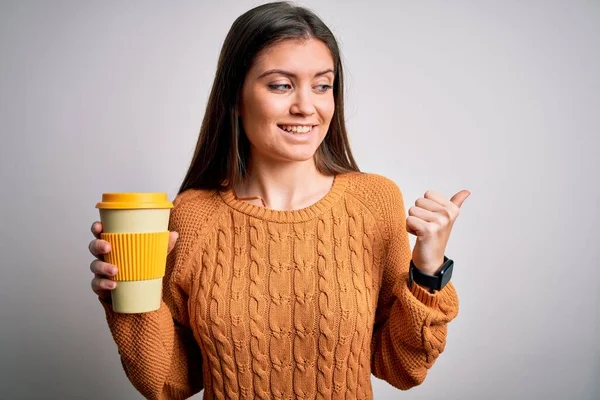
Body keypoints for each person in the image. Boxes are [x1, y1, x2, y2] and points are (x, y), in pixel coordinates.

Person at [88, 2, 470, 399]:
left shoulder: (375, 202)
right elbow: (168, 382)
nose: (307, 106)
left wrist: (428, 270)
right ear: (235, 97)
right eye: (281, 85)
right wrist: (128, 296)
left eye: (322, 85)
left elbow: (401, 368)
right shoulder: (193, 214)